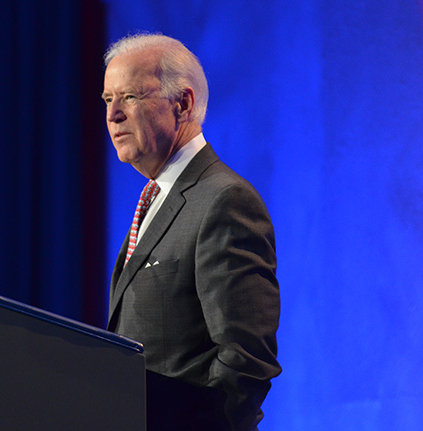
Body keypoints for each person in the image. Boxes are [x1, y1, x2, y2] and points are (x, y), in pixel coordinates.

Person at [102, 33, 281, 431]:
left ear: (181, 104)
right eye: (107, 99)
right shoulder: (156, 197)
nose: (113, 114)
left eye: (129, 97)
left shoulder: (225, 200)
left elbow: (246, 359)